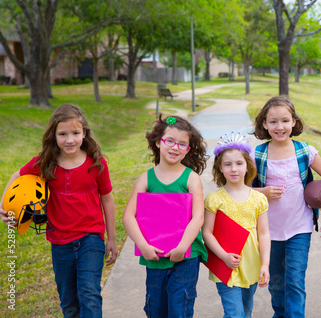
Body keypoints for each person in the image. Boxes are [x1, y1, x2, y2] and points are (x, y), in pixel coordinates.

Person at [0, 103, 118, 317]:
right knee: (69, 302)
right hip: (59, 242)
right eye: (63, 134)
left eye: (75, 132)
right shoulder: (45, 163)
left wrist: (111, 238)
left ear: (84, 133)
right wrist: (4, 206)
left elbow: (107, 200)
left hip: (91, 239)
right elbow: (16, 176)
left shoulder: (96, 164)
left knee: (89, 294)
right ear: (53, 136)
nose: (69, 139)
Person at [251, 96, 321, 317]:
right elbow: (238, 192)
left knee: (295, 281)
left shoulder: (305, 151)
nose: (279, 127)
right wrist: (263, 192)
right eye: (273, 122)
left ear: (293, 122)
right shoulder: (257, 155)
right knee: (276, 283)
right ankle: (281, 313)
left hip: (300, 228)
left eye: (284, 121)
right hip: (268, 231)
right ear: (264, 124)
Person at [122, 115, 209, 318]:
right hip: (154, 256)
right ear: (158, 142)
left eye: (182, 144)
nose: (175, 147)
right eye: (169, 140)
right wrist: (143, 245)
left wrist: (182, 247)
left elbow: (198, 218)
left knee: (180, 310)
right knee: (156, 310)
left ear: (188, 149)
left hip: (186, 257)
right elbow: (128, 216)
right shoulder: (146, 178)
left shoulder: (191, 178)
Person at [203, 133, 271, 318]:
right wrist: (224, 256)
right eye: (228, 164)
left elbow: (264, 234)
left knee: (246, 311)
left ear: (247, 166)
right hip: (226, 266)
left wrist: (265, 264)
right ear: (220, 168)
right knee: (235, 314)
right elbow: (207, 232)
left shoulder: (259, 199)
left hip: (251, 264)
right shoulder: (215, 199)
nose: (234, 169)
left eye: (239, 163)